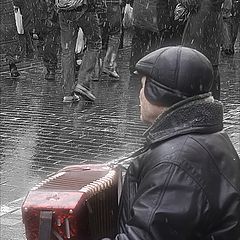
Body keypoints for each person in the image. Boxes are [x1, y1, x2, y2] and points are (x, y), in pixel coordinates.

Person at [103, 46, 240, 239]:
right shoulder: (209, 136)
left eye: (143, 86)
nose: (139, 95)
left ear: (160, 93)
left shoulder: (173, 165)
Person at [58, 0, 106, 103]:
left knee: (67, 50)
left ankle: (68, 92)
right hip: (84, 9)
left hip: (64, 9)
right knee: (94, 43)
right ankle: (83, 83)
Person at [177, 0, 224, 100]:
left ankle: (196, 102)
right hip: (212, 24)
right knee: (212, 65)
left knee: (194, 64)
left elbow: (191, 3)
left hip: (199, 25)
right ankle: (213, 102)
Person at [35, 0, 61, 81]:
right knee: (49, 42)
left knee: (50, 42)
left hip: (54, 15)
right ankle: (50, 68)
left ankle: (51, 68)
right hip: (46, 15)